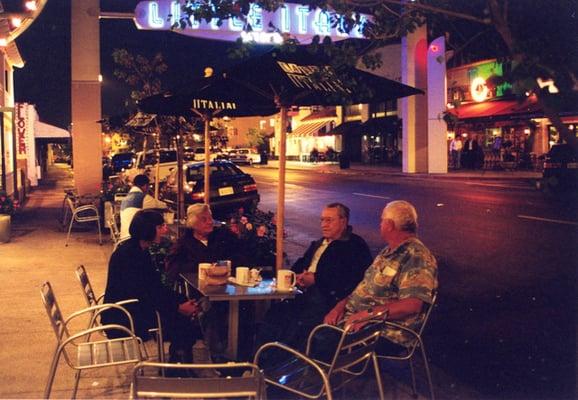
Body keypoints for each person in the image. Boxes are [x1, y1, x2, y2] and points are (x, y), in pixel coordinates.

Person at [255, 202, 372, 356]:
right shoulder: (319, 243)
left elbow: (351, 280)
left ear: (343, 222)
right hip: (303, 294)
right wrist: (297, 276)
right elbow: (301, 264)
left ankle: (278, 365)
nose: (324, 225)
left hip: (327, 301)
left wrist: (316, 280)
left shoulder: (353, 246)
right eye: (322, 220)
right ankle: (260, 362)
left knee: (292, 326)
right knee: (273, 316)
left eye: (329, 220)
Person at [324, 200, 438, 356]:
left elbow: (412, 305)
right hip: (358, 319)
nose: (380, 225)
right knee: (315, 324)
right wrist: (340, 306)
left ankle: (327, 377)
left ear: (390, 225)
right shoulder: (389, 252)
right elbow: (364, 287)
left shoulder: (416, 256)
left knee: (322, 341)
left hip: (384, 332)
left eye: (382, 220)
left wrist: (367, 315)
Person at [101, 210, 202, 364]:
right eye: (160, 226)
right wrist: (178, 307)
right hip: (124, 317)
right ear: (148, 229)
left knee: (184, 313)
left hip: (134, 308)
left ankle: (178, 364)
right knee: (183, 324)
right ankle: (177, 370)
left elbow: (153, 287)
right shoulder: (129, 256)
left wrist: (181, 301)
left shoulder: (138, 249)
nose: (165, 230)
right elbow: (144, 293)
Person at [165, 203, 246, 283]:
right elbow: (172, 271)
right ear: (192, 222)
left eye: (210, 218)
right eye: (204, 219)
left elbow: (241, 256)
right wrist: (203, 267)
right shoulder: (183, 243)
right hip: (196, 290)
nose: (210, 222)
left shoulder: (224, 236)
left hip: (227, 286)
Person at [119, 174, 167, 240]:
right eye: (148, 186)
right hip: (134, 237)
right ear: (145, 186)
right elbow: (163, 206)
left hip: (123, 236)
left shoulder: (125, 198)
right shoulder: (143, 197)